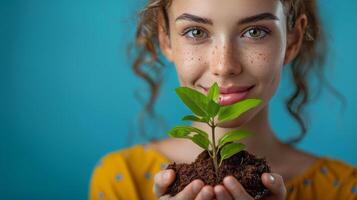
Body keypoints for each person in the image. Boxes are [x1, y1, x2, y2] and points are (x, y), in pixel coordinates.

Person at [89, 0, 357, 199]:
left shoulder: (343, 189)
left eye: (255, 32)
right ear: (165, 38)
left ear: (292, 41)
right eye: (196, 32)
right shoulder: (123, 180)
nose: (224, 65)